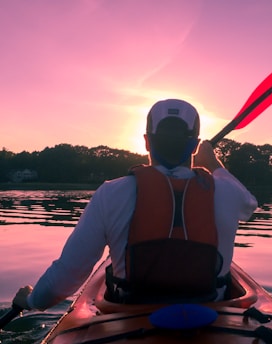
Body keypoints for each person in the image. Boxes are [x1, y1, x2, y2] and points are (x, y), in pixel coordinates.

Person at [13, 98, 258, 310]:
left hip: (130, 314)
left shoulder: (111, 193)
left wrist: (32, 301)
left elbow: (66, 276)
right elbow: (249, 204)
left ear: (146, 142)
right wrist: (213, 163)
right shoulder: (228, 192)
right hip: (212, 314)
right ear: (194, 145)